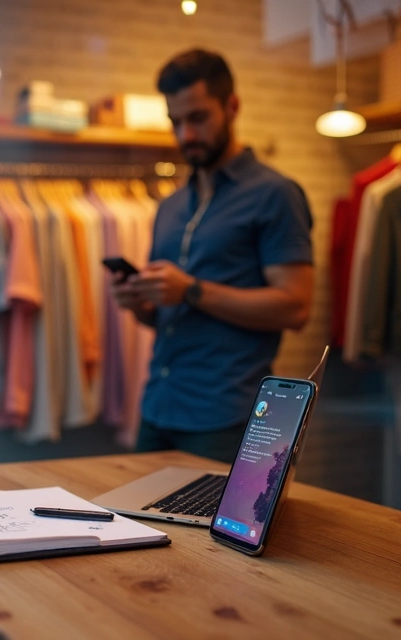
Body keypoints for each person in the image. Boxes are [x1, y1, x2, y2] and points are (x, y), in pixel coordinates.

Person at [112, 49, 315, 461]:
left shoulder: (275, 194)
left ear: (232, 107)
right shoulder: (169, 206)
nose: (186, 135)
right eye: (176, 122)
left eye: (198, 118)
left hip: (226, 418)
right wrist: (139, 305)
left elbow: (295, 307)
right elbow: (170, 315)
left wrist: (190, 290)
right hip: (157, 407)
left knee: (214, 529)